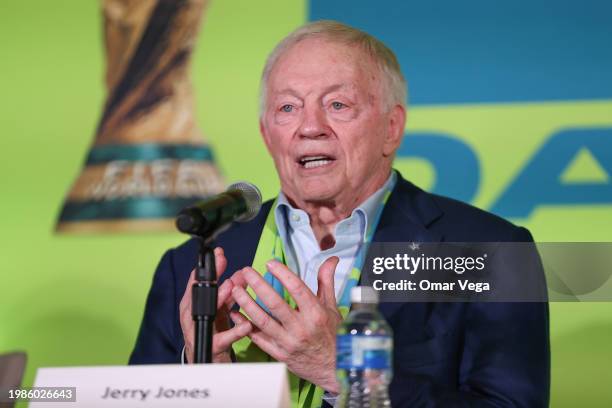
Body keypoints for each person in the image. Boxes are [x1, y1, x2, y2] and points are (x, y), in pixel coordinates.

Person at [129, 20, 550, 407]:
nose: (310, 127)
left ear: (391, 129)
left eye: (337, 104)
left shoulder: (489, 252)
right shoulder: (190, 266)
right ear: (266, 134)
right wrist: (204, 377)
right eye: (288, 108)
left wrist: (344, 371)